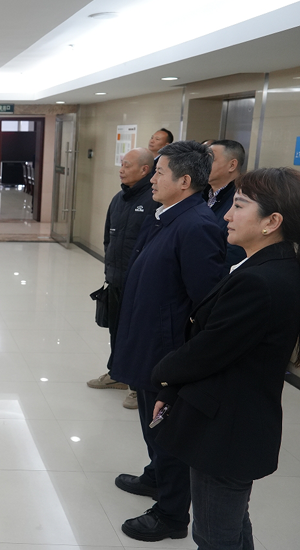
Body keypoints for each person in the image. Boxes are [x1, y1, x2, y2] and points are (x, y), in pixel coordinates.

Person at [151, 167, 300, 549]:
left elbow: (208, 350)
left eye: (239, 206)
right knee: (232, 527)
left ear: (272, 222)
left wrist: (161, 374)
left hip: (227, 429)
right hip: (232, 419)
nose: (228, 216)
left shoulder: (262, 281)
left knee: (214, 536)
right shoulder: (268, 266)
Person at [109, 141, 226, 542]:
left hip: (167, 352)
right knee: (152, 427)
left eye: (159, 173)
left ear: (185, 180)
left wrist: (180, 362)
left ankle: (171, 514)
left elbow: (205, 303)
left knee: (167, 433)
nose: (153, 179)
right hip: (148, 342)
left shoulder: (196, 226)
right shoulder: (165, 215)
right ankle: (156, 476)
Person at [87, 148, 158, 410]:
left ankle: (139, 386)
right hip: (116, 279)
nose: (122, 170)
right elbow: (109, 238)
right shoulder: (119, 199)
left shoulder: (154, 201)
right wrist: (110, 272)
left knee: (138, 335)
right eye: (122, 164)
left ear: (144, 170)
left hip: (141, 283)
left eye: (127, 165)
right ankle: (117, 373)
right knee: (116, 330)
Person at [204, 139, 247, 267]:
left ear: (232, 165)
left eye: (210, 159)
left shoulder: (243, 200)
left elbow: (235, 251)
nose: (203, 164)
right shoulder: (200, 193)